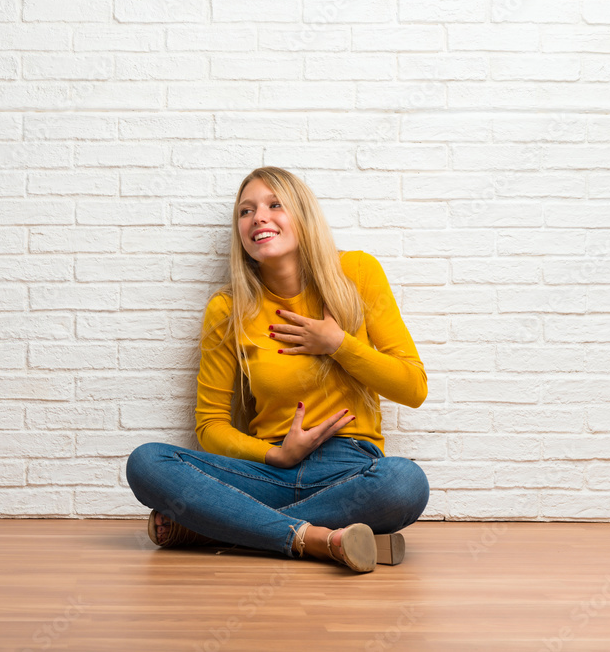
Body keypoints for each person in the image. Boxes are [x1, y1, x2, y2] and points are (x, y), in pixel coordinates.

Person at [125, 166, 430, 573]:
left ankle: (217, 528)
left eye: (274, 205)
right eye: (246, 211)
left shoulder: (356, 273)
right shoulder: (227, 309)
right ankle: (317, 538)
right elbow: (209, 426)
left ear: (302, 216)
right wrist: (275, 455)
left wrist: (338, 344)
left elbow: (414, 388)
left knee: (404, 482)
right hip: (266, 471)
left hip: (350, 468)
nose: (258, 218)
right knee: (146, 462)